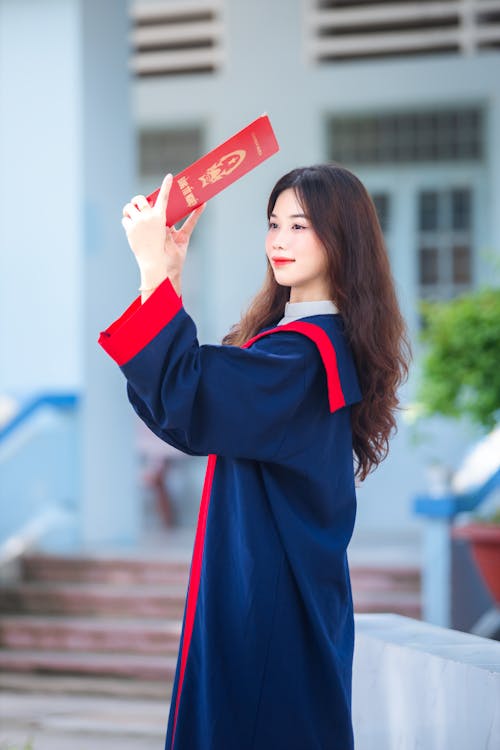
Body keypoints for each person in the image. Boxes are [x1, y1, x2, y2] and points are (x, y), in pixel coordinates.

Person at [98, 164, 411, 750]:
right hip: (282, 592)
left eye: (301, 225)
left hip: (266, 602)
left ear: (343, 237)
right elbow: (184, 400)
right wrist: (162, 280)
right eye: (274, 223)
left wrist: (155, 271)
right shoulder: (306, 345)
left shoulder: (303, 356)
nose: (279, 240)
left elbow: (187, 397)